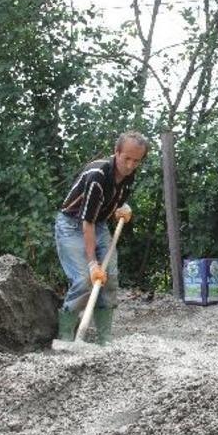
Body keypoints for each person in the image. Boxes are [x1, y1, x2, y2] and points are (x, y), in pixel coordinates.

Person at [55, 130, 147, 345]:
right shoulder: (98, 175)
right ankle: (66, 334)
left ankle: (104, 337)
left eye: (137, 161)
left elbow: (109, 204)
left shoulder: (129, 175)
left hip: (100, 224)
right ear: (116, 152)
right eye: (127, 159)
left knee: (110, 277)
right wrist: (92, 263)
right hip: (72, 224)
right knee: (84, 280)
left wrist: (122, 208)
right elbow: (87, 222)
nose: (131, 165)